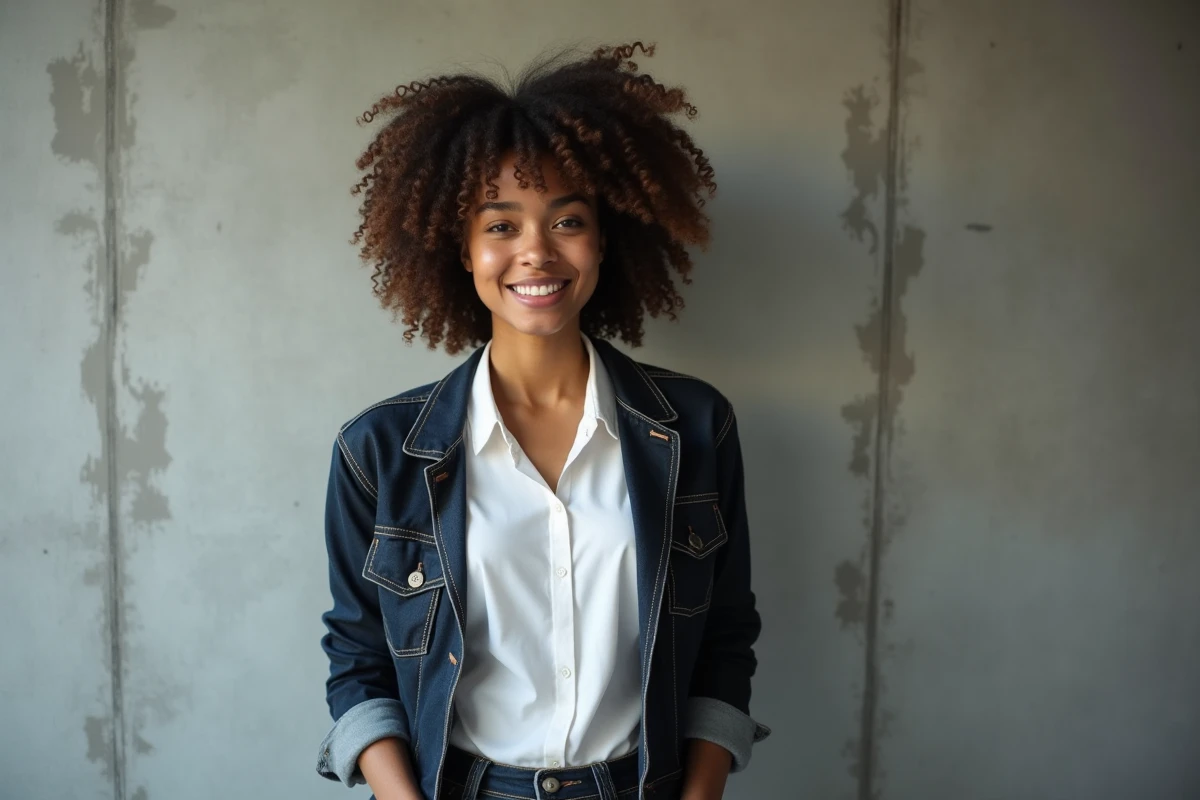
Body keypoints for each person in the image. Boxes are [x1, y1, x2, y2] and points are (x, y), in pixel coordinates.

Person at [316, 42, 769, 800]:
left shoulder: (694, 426)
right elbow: (360, 659)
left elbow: (724, 636)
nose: (535, 252)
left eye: (566, 220)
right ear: (460, 249)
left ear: (602, 239)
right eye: (500, 226)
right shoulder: (379, 450)